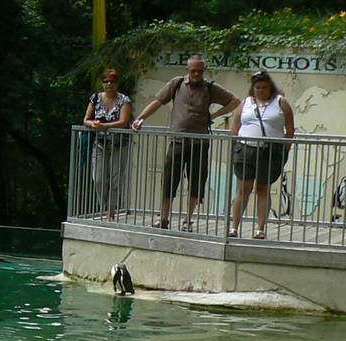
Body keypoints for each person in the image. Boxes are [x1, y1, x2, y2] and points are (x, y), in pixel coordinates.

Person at [131, 55, 240, 231]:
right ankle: (164, 218)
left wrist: (213, 116)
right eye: (193, 71)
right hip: (178, 140)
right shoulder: (177, 83)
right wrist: (140, 118)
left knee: (196, 182)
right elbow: (158, 101)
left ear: (204, 70)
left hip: (199, 142)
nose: (196, 74)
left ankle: (187, 220)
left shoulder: (209, 87)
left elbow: (235, 101)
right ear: (187, 70)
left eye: (200, 71)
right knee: (169, 180)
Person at [227, 70, 294, 239]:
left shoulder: (281, 102)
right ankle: (234, 227)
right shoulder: (246, 103)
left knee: (263, 188)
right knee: (243, 188)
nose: (260, 90)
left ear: (270, 87)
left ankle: (260, 229)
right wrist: (235, 146)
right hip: (246, 148)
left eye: (264, 87)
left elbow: (290, 129)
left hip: (269, 151)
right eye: (257, 87)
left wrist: (285, 149)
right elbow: (235, 126)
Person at [81, 67, 132, 219]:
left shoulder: (124, 100)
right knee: (98, 179)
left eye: (112, 81)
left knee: (116, 179)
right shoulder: (95, 98)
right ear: (102, 83)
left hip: (119, 144)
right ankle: (104, 206)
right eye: (106, 81)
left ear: (117, 83)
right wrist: (93, 124)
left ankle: (111, 211)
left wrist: (105, 126)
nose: (109, 84)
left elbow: (123, 121)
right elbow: (86, 119)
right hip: (100, 144)